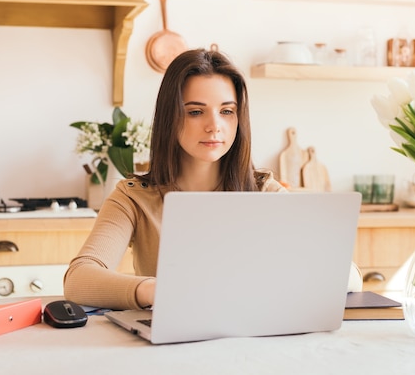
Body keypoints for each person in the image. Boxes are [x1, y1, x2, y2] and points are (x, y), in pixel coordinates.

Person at [63, 48, 361, 310]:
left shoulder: (264, 192)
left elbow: (350, 277)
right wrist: (153, 290)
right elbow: (79, 279)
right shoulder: (134, 197)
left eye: (227, 111)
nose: (214, 126)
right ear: (170, 118)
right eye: (195, 112)